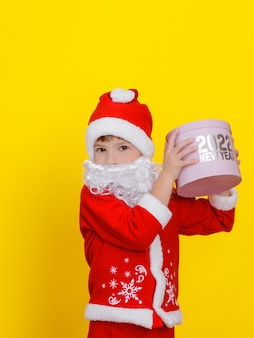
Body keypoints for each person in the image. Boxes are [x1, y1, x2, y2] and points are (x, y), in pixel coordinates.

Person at [80, 88, 238, 338]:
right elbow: (138, 231)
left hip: (160, 322)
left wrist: (221, 177)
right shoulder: (96, 196)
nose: (111, 160)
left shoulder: (163, 196)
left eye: (123, 147)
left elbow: (218, 219)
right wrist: (167, 176)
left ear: (143, 152)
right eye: (101, 149)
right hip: (113, 323)